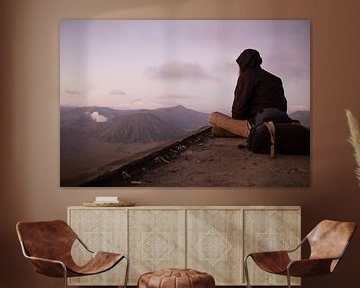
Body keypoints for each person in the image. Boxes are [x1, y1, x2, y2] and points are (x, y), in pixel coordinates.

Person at [209, 49, 288, 138]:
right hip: (281, 124)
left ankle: (251, 134)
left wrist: (237, 123)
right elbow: (283, 106)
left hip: (258, 125)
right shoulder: (276, 79)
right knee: (217, 130)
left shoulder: (246, 76)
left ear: (242, 63)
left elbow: (238, 109)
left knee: (213, 117)